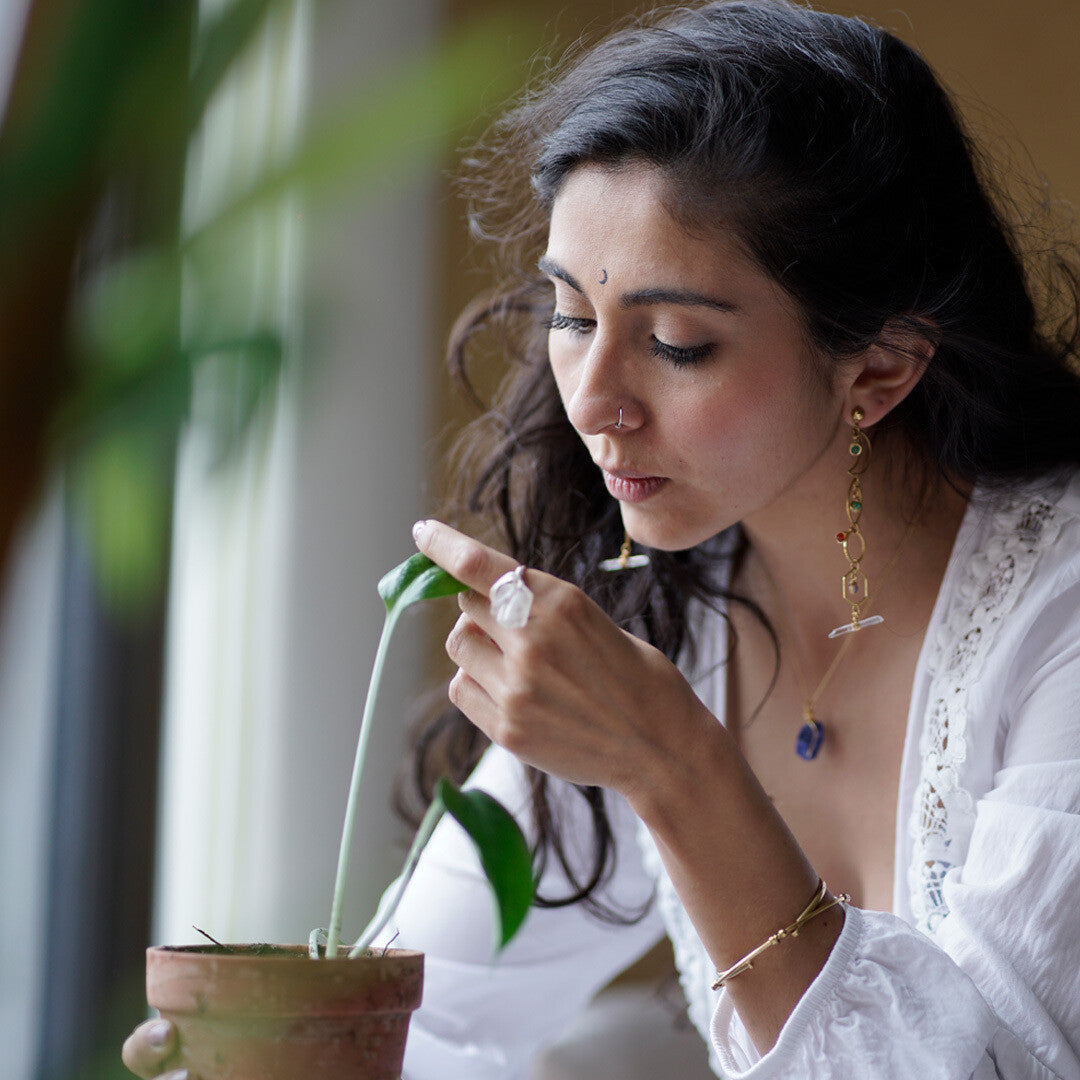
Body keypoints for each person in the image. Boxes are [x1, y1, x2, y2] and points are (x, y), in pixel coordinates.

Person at [124, 1, 1080, 1077]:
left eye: (677, 344)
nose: (591, 402)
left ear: (879, 372)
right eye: (573, 315)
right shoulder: (663, 601)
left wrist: (675, 765)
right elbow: (428, 1012)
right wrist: (255, 1047)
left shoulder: (1060, 621)